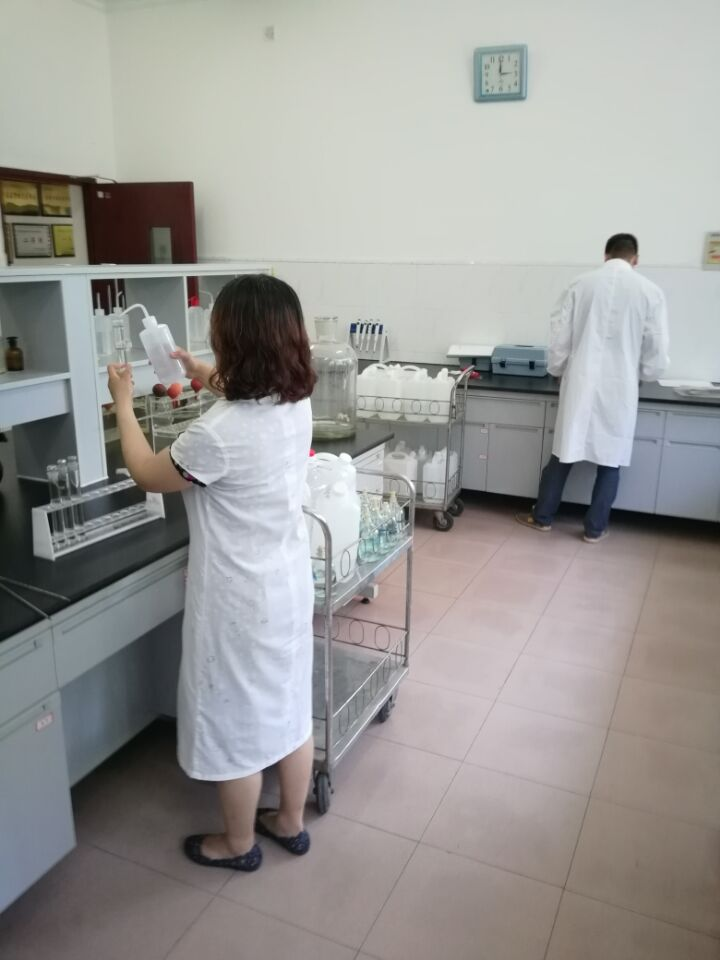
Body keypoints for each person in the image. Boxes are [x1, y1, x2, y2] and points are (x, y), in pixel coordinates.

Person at [107, 274, 317, 872]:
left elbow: (147, 471)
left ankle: (237, 844)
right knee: (288, 705)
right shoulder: (294, 401)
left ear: (234, 340)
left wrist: (122, 402)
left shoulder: (216, 436)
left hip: (238, 601)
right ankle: (290, 821)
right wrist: (194, 369)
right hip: (286, 583)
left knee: (235, 720)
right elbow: (239, 391)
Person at [517, 233, 669, 542]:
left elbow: (559, 335)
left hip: (580, 381)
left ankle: (542, 516)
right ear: (635, 259)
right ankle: (595, 529)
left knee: (564, 451)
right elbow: (656, 346)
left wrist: (557, 369)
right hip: (621, 387)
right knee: (610, 460)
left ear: (605, 255)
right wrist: (645, 373)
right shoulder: (650, 292)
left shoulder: (580, 284)